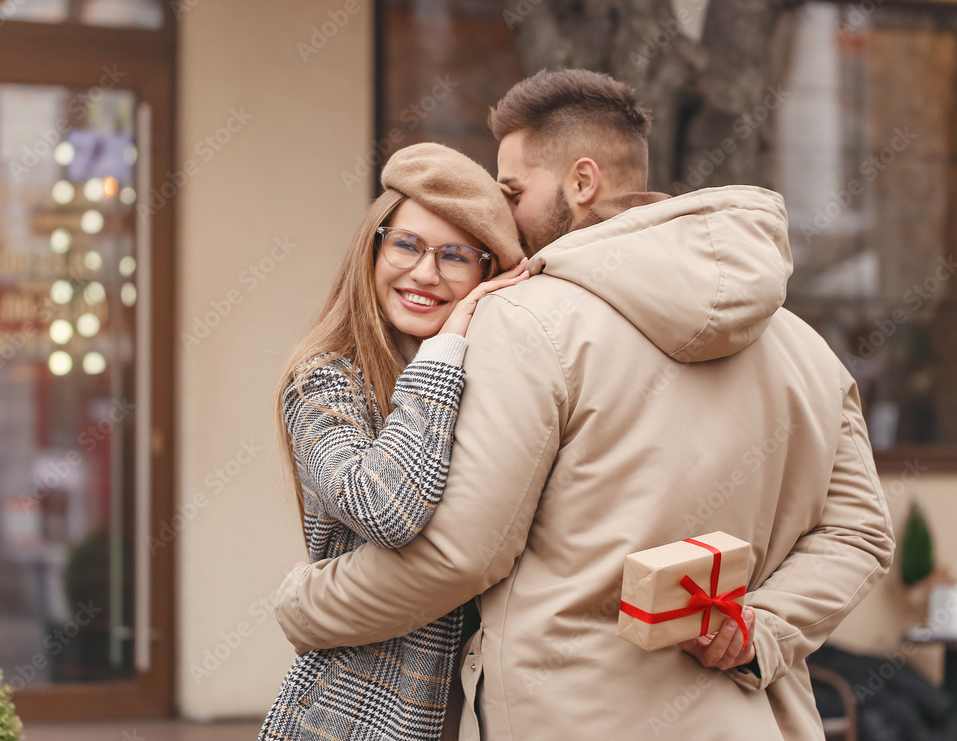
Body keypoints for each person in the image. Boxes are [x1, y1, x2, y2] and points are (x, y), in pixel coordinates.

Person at [274, 69, 895, 741]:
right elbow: (861, 532)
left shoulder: (525, 321)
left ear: (582, 181)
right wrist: (760, 629)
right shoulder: (803, 344)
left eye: (512, 191)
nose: (499, 216)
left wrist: (305, 605)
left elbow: (461, 557)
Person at [257, 142, 528, 741]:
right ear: (373, 248)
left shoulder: (501, 384)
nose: (425, 274)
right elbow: (386, 510)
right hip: (355, 712)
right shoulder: (323, 381)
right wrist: (445, 352)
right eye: (406, 244)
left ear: (487, 273)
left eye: (456, 256)